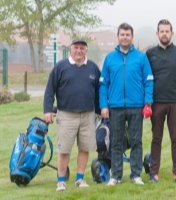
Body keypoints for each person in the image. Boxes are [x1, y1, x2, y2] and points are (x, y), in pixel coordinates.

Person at [99, 22, 154, 186]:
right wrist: (103, 105)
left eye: (127, 34)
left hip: (136, 106)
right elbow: (103, 84)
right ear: (118, 37)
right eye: (122, 34)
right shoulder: (109, 58)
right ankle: (116, 175)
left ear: (132, 37)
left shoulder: (141, 57)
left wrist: (148, 103)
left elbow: (149, 81)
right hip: (115, 107)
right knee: (116, 142)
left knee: (136, 140)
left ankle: (135, 174)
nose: (124, 37)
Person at [43, 38, 101, 192]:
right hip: (66, 114)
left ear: (86, 50)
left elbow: (98, 92)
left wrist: (101, 109)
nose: (79, 51)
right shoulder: (61, 67)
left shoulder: (93, 68)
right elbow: (50, 90)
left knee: (85, 148)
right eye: (76, 48)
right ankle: (61, 181)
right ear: (71, 49)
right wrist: (48, 110)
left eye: (82, 48)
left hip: (88, 115)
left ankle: (80, 179)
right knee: (64, 149)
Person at [146, 19, 176, 184]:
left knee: (175, 138)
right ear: (157, 33)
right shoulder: (150, 54)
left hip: (175, 102)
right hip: (157, 102)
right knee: (156, 138)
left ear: (172, 33)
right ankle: (153, 173)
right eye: (161, 31)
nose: (164, 34)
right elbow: (146, 77)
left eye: (167, 31)